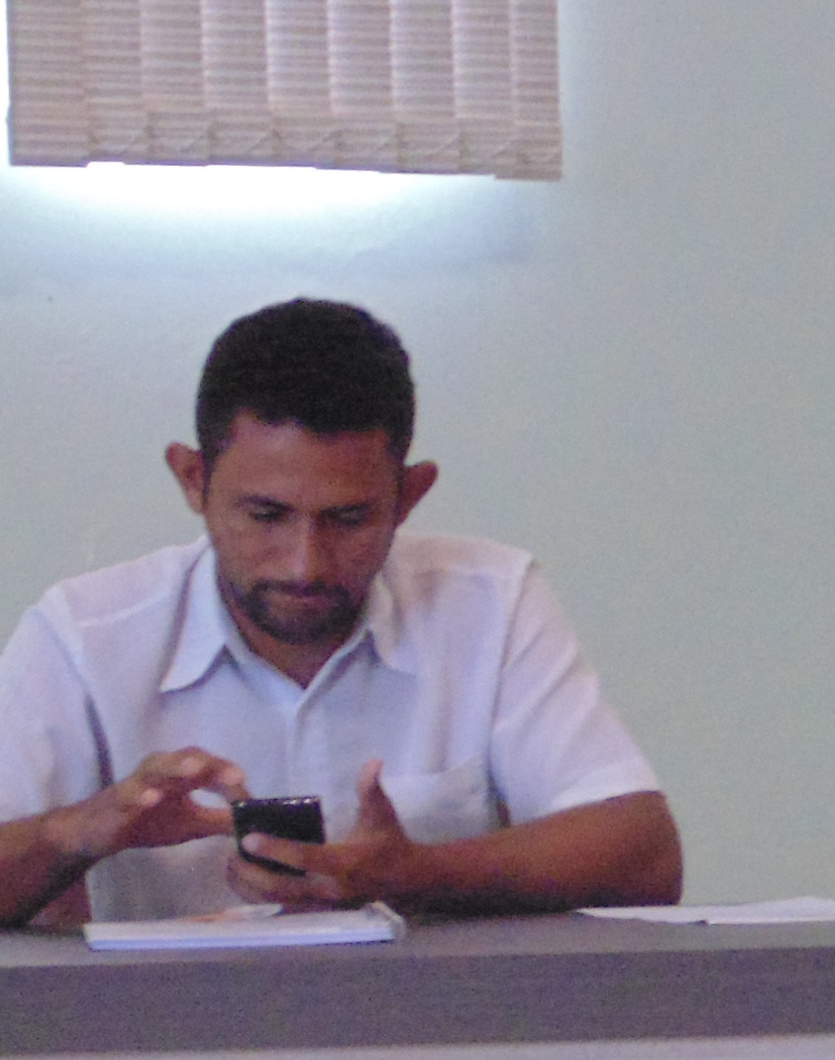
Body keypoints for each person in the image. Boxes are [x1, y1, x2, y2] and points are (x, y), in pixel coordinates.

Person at [0, 299, 681, 928]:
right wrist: (74, 833)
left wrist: (420, 874)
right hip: (168, 1020)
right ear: (193, 480)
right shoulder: (83, 635)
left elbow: (644, 854)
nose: (305, 563)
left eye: (348, 519)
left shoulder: (491, 602)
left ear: (409, 496)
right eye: (266, 515)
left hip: (437, 1020)